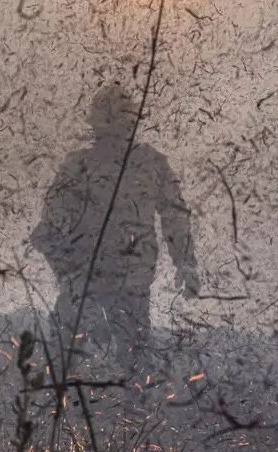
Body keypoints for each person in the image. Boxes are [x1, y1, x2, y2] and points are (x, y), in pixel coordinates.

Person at [31, 84, 198, 378]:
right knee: (62, 370)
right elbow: (47, 233)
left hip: (127, 287)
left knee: (135, 370)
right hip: (86, 286)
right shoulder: (79, 166)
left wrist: (186, 263)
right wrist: (73, 282)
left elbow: (175, 215)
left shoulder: (150, 164)